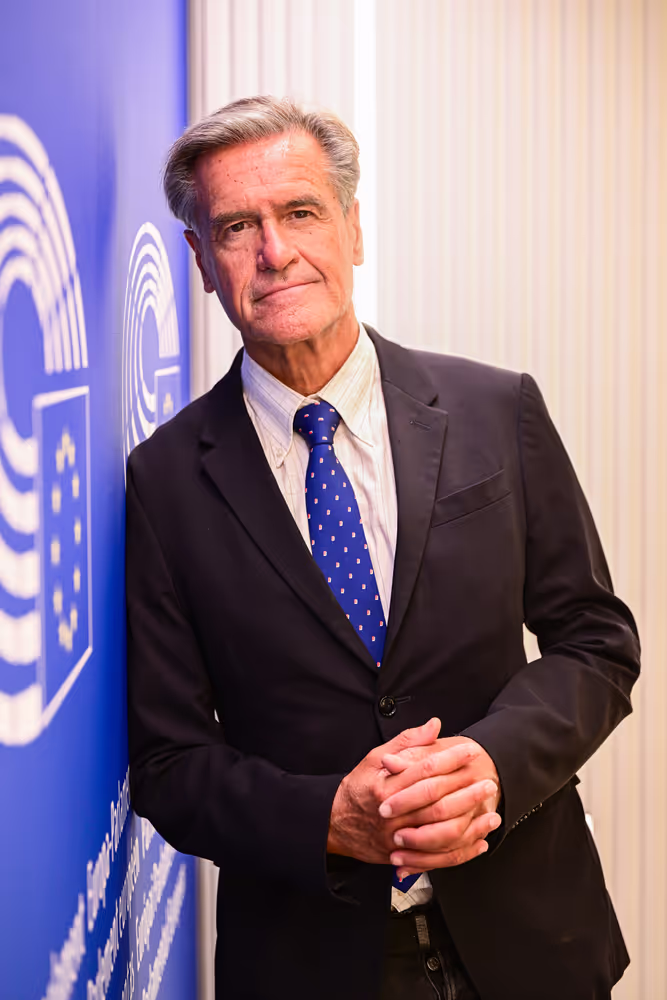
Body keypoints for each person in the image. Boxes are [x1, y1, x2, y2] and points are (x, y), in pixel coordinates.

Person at [126, 96, 640, 1000]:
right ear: (202, 263)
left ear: (353, 229)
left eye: (299, 212)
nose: (274, 252)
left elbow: (595, 641)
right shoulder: (163, 481)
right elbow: (169, 766)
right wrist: (330, 817)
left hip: (534, 941)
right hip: (309, 958)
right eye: (237, 226)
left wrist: (490, 765)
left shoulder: (495, 409)